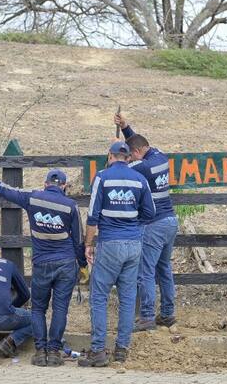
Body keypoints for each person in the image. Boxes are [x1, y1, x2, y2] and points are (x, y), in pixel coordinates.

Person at [0, 168, 88, 367]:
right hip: (66, 264)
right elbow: (78, 241)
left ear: (45, 184)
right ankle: (55, 352)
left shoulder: (32, 198)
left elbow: (5, 190)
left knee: (39, 309)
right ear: (64, 186)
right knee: (60, 309)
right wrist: (82, 265)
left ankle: (40, 352)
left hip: (41, 263)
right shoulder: (71, 206)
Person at [79, 141, 156, 368]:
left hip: (110, 243)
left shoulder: (102, 177)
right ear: (128, 158)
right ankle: (121, 349)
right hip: (133, 244)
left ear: (110, 156)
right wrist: (132, 222)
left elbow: (93, 216)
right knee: (128, 297)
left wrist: (88, 244)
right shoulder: (140, 180)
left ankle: (98, 350)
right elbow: (150, 212)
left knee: (99, 296)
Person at [113, 113, 178, 331]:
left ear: (138, 154)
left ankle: (148, 316)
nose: (131, 158)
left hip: (154, 225)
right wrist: (126, 128)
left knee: (146, 271)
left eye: (132, 155)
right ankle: (168, 313)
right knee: (164, 268)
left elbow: (118, 169)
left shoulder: (142, 167)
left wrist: (115, 152)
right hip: (170, 221)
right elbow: (138, 143)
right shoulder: (160, 156)